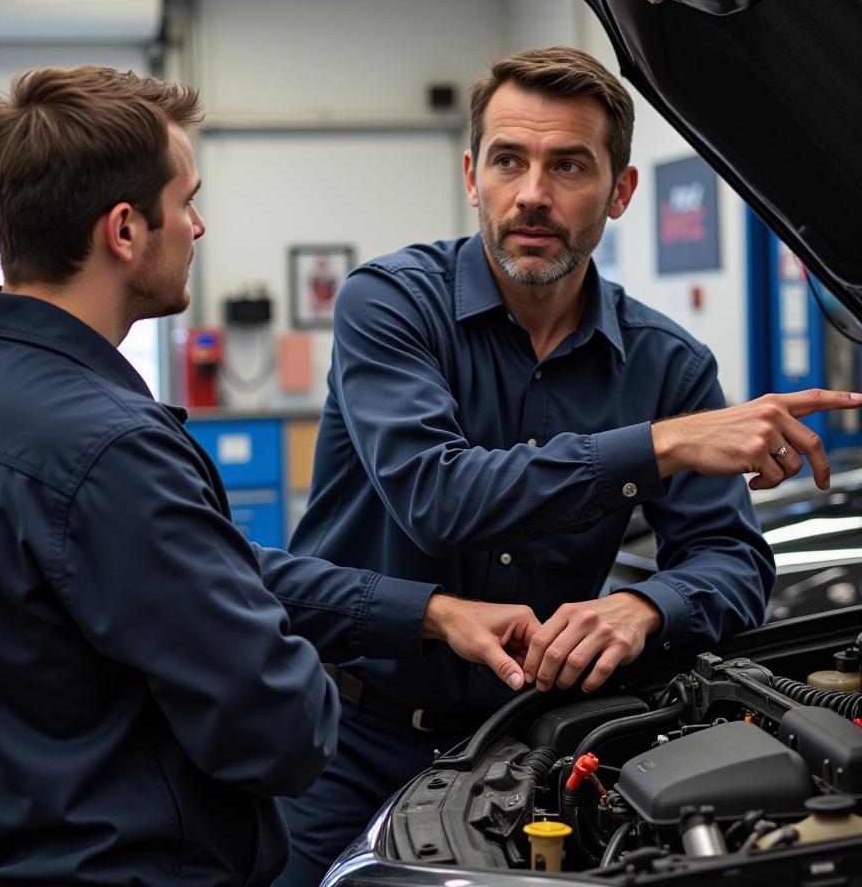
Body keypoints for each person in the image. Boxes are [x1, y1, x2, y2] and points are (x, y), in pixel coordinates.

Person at [0, 66, 545, 887]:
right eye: (185, 200)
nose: (198, 225)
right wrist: (319, 682)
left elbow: (192, 574)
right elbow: (277, 730)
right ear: (124, 230)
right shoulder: (112, 448)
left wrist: (421, 612)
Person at [277, 45, 862, 885]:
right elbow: (436, 498)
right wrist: (659, 444)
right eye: (509, 161)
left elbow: (732, 561)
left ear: (620, 191)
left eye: (569, 166)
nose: (533, 195)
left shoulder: (668, 364)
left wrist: (644, 605)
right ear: (473, 174)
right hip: (347, 739)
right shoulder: (390, 304)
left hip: (528, 744)